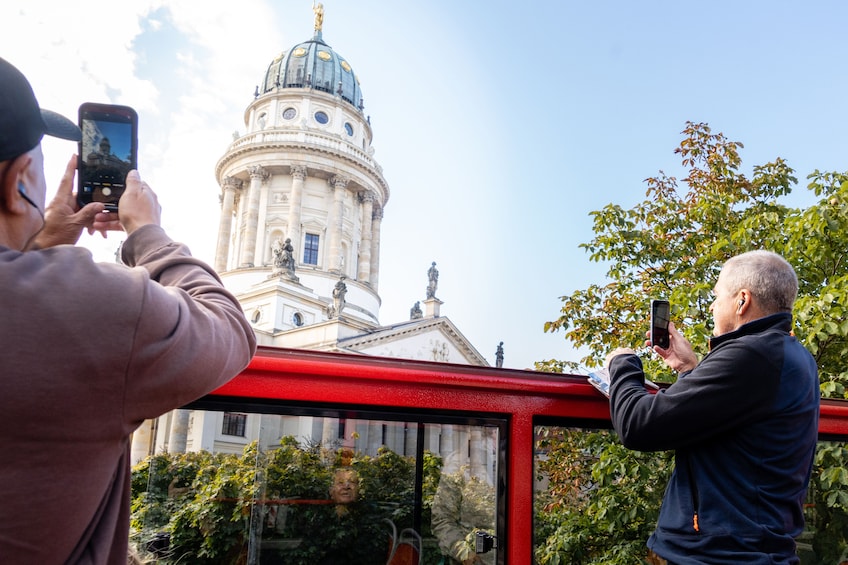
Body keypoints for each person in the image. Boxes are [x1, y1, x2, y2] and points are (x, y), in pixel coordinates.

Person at [0, 57, 257, 563]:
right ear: (19, 180)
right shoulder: (89, 306)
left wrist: (38, 246)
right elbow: (229, 329)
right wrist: (148, 235)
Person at [605, 250, 819, 564]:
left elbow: (638, 426)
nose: (712, 305)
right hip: (750, 551)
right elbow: (727, 423)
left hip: (717, 555)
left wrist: (622, 364)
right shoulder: (791, 354)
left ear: (742, 301)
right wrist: (688, 368)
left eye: (717, 295)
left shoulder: (753, 356)